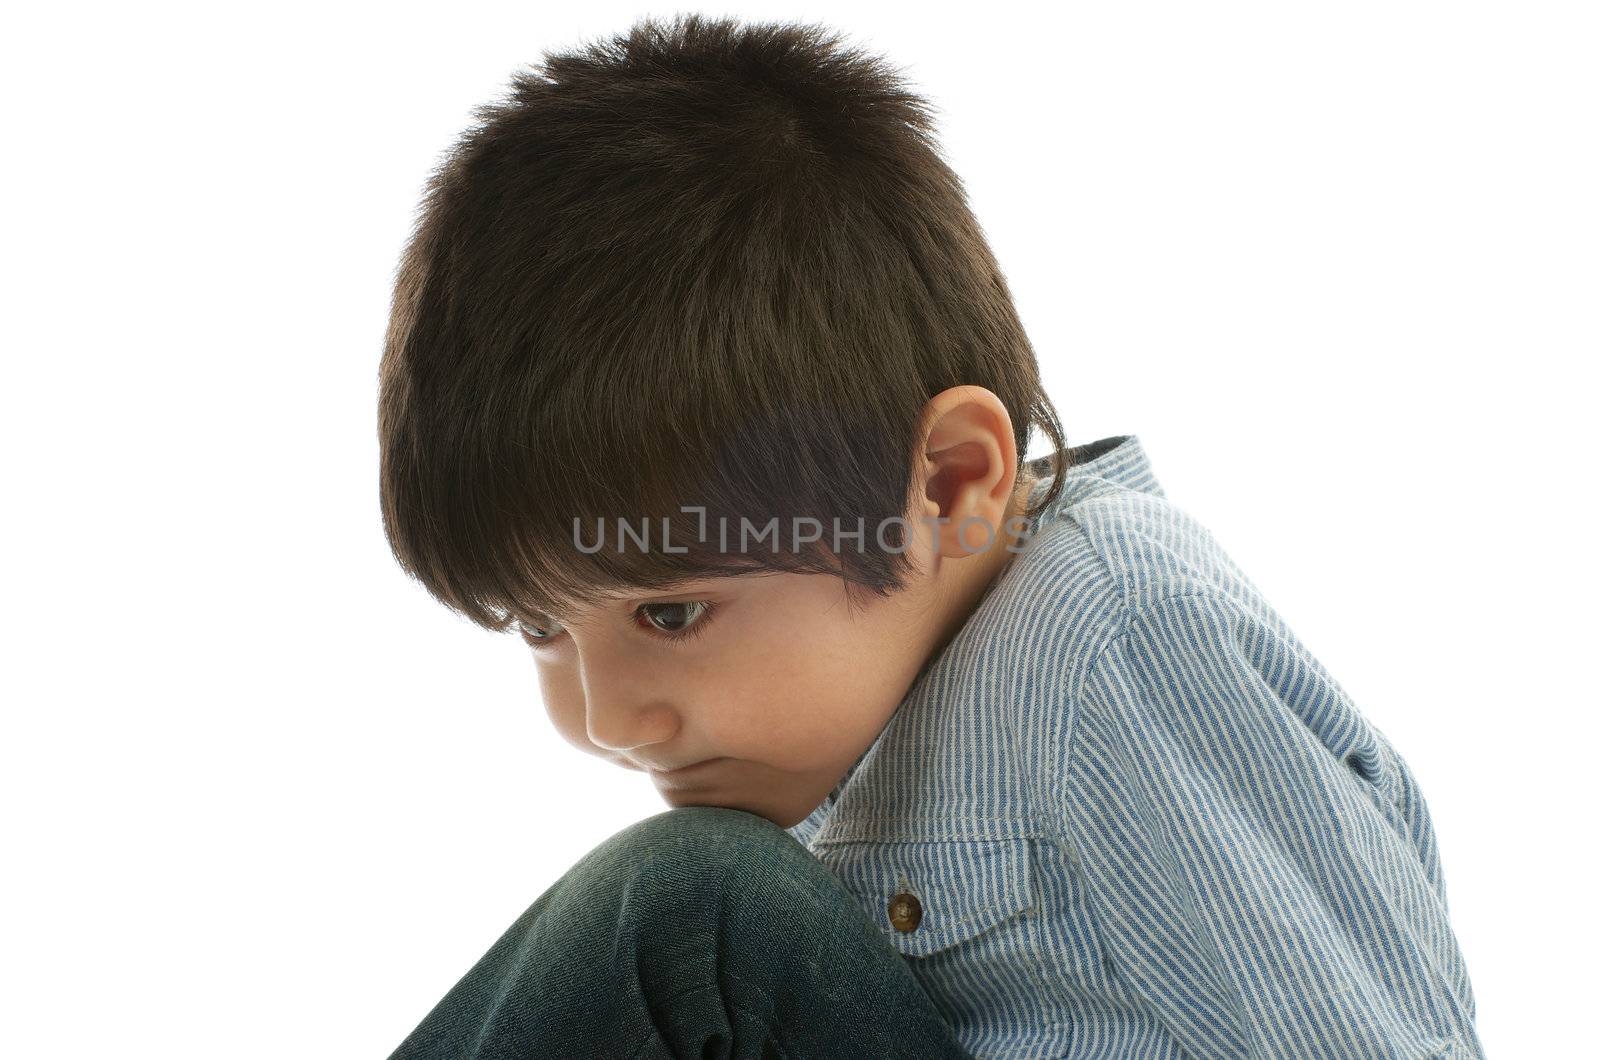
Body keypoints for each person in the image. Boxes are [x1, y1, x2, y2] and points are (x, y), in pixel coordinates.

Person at [377, 13, 1483, 1058]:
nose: (605, 718)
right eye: (536, 624)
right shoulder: (868, 712)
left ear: (951, 482)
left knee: (692, 908)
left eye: (671, 611)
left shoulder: (1111, 639)